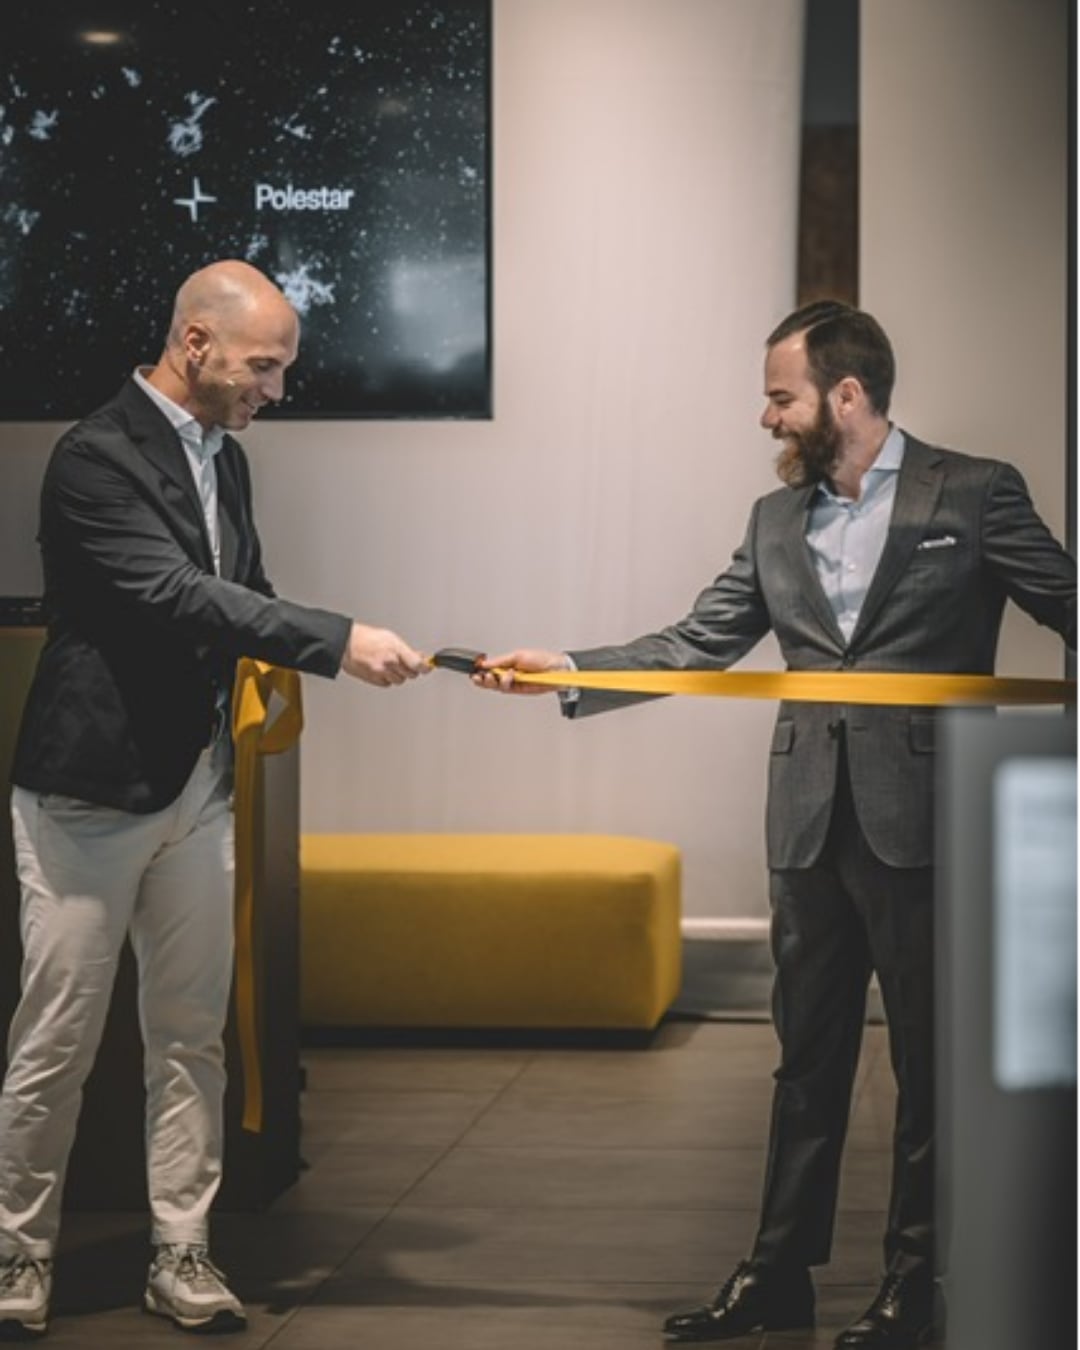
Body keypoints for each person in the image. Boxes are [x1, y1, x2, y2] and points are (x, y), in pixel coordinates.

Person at [475, 301, 1076, 1349]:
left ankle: (916, 1288)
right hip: (805, 827)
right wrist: (572, 670)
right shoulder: (773, 521)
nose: (766, 418)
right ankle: (778, 1277)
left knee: (929, 1066)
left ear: (845, 396)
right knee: (805, 1060)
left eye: (780, 396)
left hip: (931, 826)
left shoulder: (973, 493)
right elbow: (698, 641)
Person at [0, 260, 429, 1338]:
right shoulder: (92, 456)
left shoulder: (225, 460)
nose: (276, 389)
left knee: (190, 1035)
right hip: (88, 796)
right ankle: (17, 1257)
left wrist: (356, 644)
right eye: (264, 365)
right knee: (59, 1038)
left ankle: (181, 1251)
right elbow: (174, 594)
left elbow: (249, 592)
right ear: (196, 344)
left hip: (194, 786)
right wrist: (338, 641)